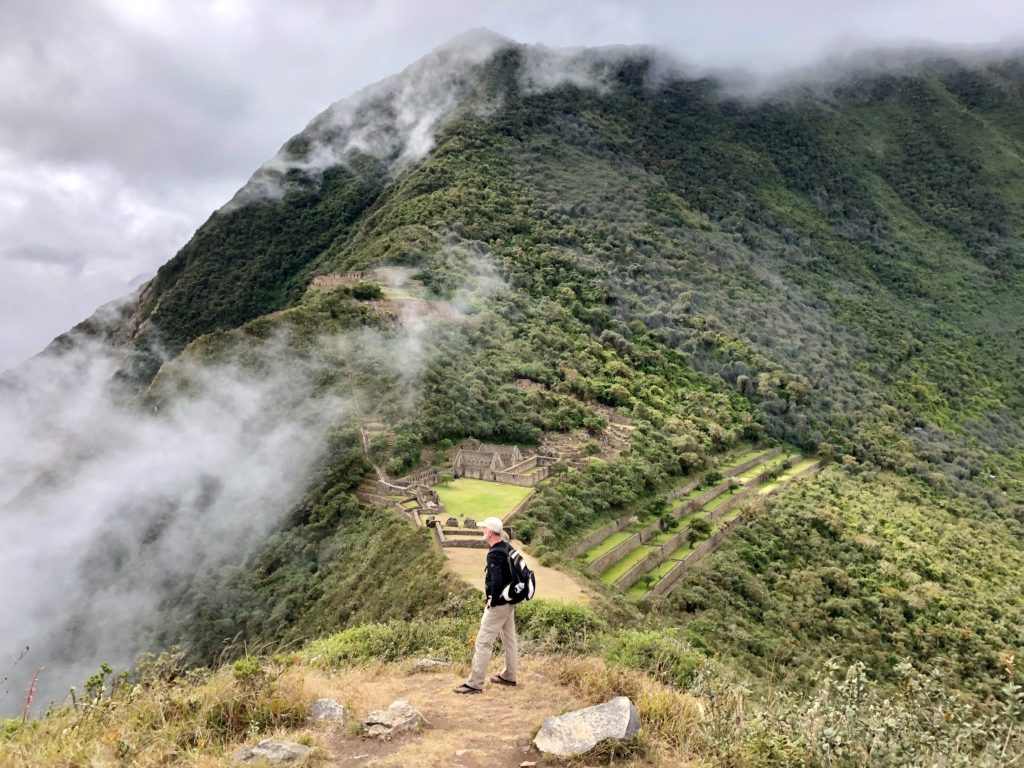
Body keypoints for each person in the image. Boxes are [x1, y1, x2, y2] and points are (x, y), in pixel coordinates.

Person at [453, 516, 519, 694]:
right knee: (509, 639)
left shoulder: (495, 553)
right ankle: (510, 675)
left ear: (490, 532)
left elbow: (496, 581)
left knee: (483, 642)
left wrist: (492, 598)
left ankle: (474, 683)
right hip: (509, 601)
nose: (482, 531)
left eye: (484, 529)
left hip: (499, 604)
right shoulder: (506, 547)